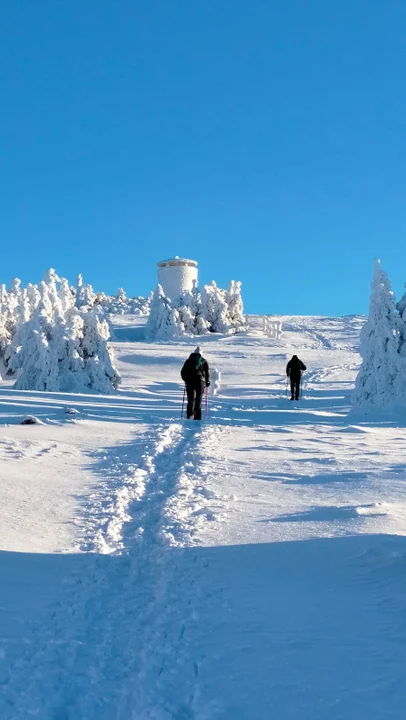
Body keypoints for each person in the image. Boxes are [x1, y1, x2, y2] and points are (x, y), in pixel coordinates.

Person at [181, 346, 210, 420]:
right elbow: (207, 372)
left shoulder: (188, 360)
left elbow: (182, 371)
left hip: (190, 381)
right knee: (198, 399)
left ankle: (190, 415)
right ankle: (197, 416)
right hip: (200, 381)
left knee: (191, 399)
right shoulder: (203, 360)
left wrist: (185, 379)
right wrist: (207, 381)